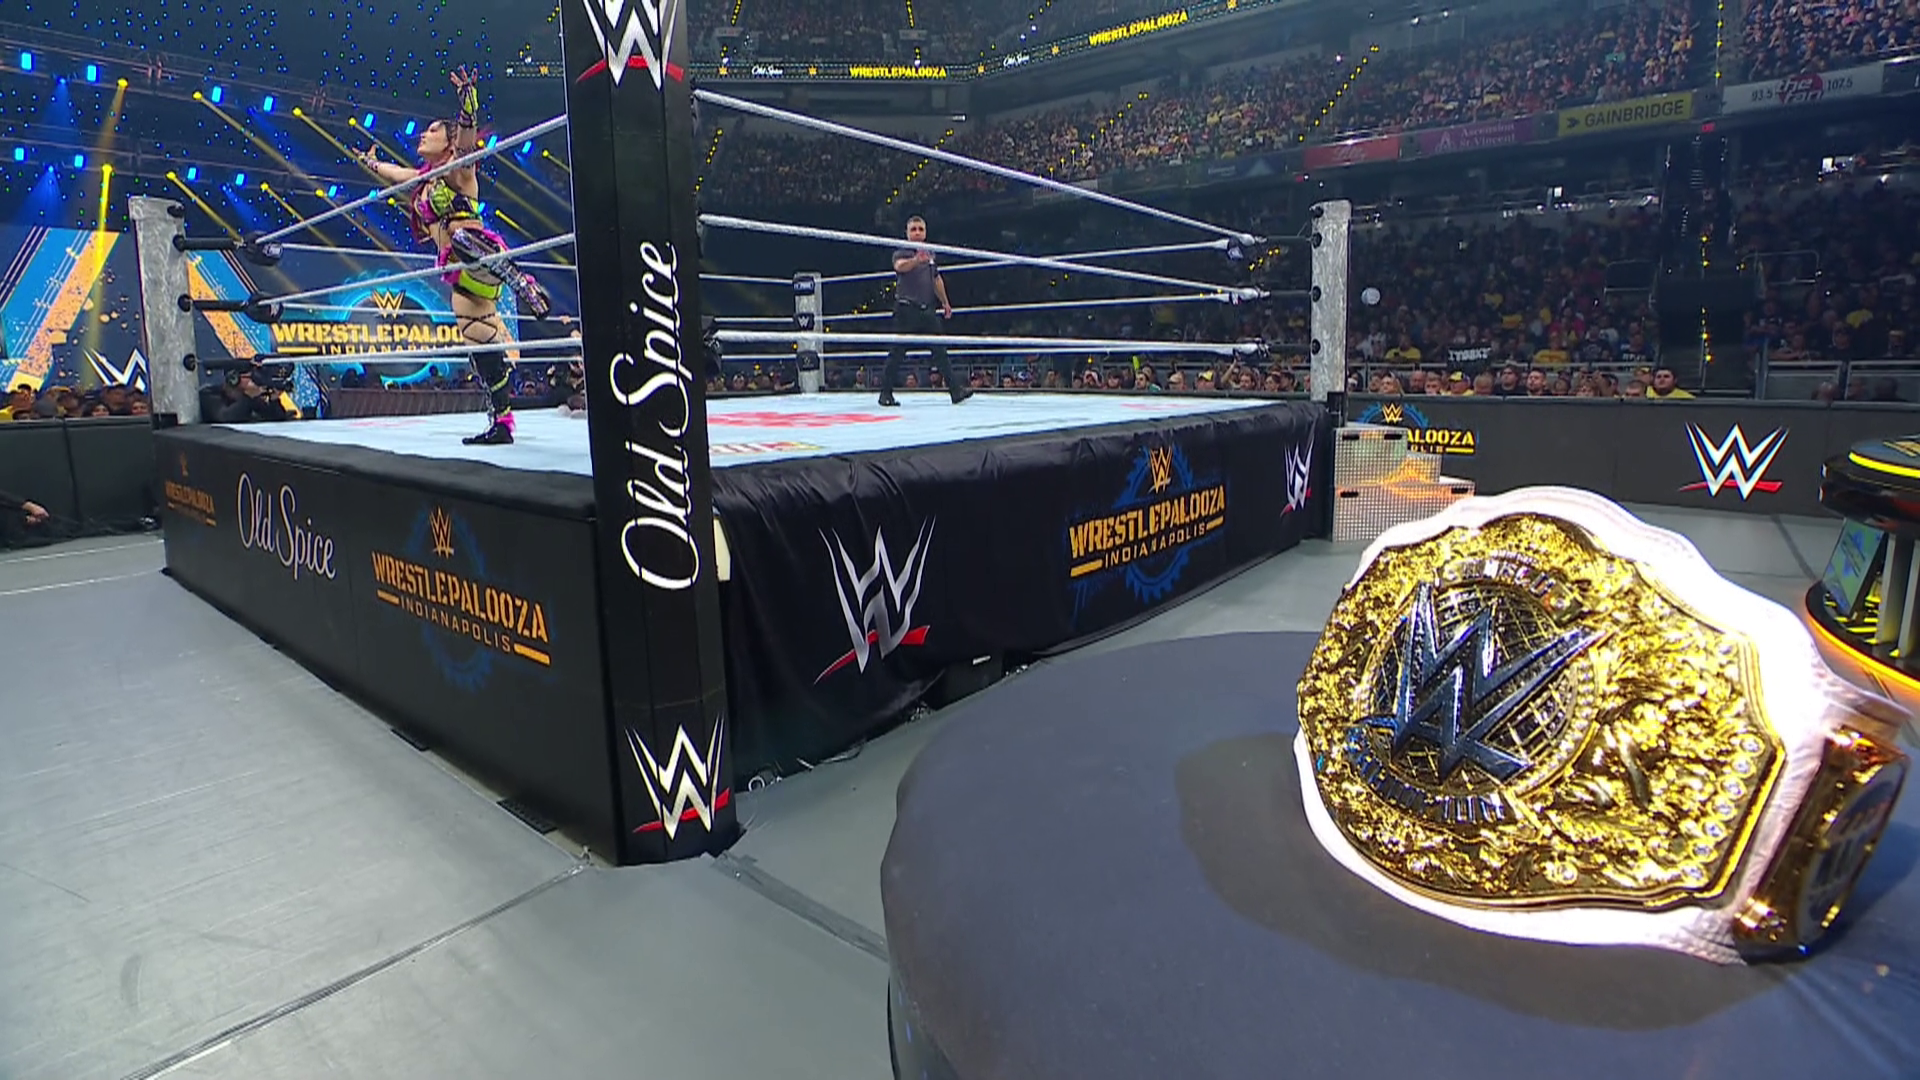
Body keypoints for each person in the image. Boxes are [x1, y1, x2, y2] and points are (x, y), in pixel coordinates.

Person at [355, 67, 551, 446]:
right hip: (459, 273)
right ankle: (502, 422)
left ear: (447, 143)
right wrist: (370, 163)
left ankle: (521, 280)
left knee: (461, 237)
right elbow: (396, 175)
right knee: (478, 342)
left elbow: (466, 138)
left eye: (432, 130)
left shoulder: (459, 170)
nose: (423, 134)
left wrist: (467, 102)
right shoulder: (424, 180)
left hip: (479, 253)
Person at [879, 217, 973, 407]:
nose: (917, 232)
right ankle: (885, 394)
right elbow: (899, 267)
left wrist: (945, 302)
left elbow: (936, 279)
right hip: (906, 309)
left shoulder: (931, 253)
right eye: (913, 229)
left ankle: (956, 392)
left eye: (920, 229)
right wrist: (916, 260)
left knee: (940, 351)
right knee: (897, 353)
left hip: (927, 309)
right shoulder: (901, 251)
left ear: (925, 232)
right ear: (907, 233)